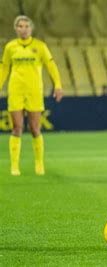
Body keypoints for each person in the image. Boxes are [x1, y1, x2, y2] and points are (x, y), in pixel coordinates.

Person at [0, 15, 63, 176]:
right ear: (16, 29)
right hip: (15, 90)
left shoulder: (40, 46)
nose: (24, 29)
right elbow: (4, 68)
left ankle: (39, 164)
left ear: (31, 28)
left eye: (26, 26)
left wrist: (58, 85)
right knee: (17, 127)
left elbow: (51, 65)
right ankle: (14, 166)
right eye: (20, 26)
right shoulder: (10, 47)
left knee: (35, 128)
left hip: (35, 90)